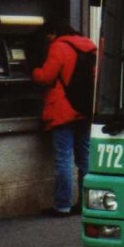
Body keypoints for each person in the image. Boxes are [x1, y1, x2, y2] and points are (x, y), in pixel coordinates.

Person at [32, 17, 96, 216]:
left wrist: (33, 70)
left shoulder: (58, 47)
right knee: (85, 159)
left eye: (49, 36)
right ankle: (86, 204)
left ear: (53, 33)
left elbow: (46, 76)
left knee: (64, 158)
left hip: (63, 110)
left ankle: (62, 205)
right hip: (85, 110)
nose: (48, 40)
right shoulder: (90, 46)